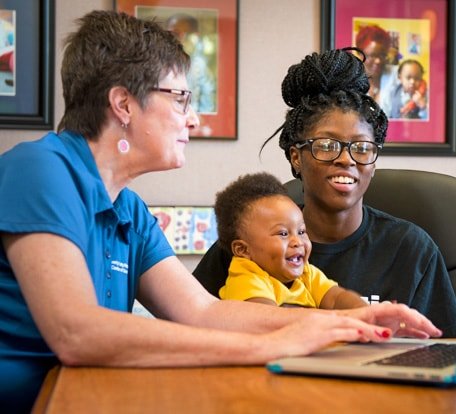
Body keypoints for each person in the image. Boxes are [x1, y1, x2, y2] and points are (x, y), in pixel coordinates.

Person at [0, 12, 442, 413]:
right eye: (179, 99)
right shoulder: (39, 169)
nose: (191, 119)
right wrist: (273, 344)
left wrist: (350, 318)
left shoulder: (128, 211)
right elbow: (78, 333)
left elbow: (203, 312)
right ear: (123, 104)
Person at [193, 47, 456, 337]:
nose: (347, 159)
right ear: (296, 157)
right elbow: (192, 331)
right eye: (327, 146)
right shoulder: (248, 242)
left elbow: (442, 352)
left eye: (362, 147)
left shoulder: (412, 250)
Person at [216, 172, 367, 309]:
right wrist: (333, 319)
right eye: (283, 233)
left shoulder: (306, 274)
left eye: (301, 231)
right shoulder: (246, 278)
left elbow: (336, 298)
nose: (298, 242)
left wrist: (366, 312)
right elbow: (269, 319)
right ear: (243, 250)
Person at [166, 13, 216, 113]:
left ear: (195, 36)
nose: (177, 40)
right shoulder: (155, 64)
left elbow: (208, 103)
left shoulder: (200, 67)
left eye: (184, 35)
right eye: (172, 34)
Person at [355, 24, 398, 116]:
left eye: (382, 55)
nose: (378, 61)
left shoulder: (394, 74)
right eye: (373, 55)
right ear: (359, 53)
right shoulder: (350, 81)